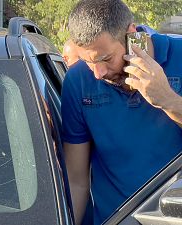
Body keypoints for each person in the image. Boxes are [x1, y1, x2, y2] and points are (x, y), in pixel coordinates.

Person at [61, 0, 182, 225]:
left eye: (106, 59)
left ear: (131, 35)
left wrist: (167, 99)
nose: (98, 73)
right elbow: (76, 180)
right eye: (88, 62)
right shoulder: (78, 81)